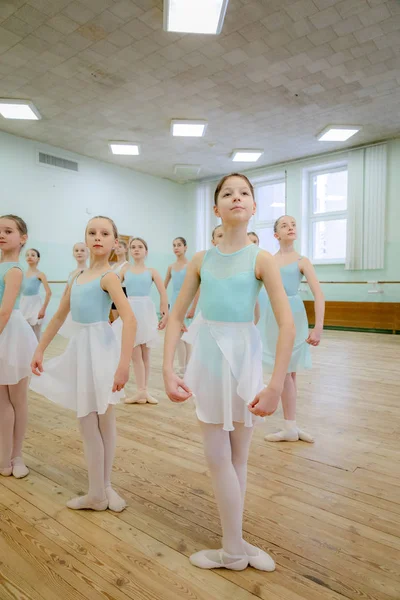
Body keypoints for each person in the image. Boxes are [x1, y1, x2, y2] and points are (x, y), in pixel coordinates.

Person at [163, 174, 295, 571]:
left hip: (244, 359)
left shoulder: (262, 259)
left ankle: (233, 547)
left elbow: (286, 324)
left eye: (244, 193)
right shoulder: (202, 260)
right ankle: (235, 545)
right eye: (227, 193)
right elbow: (175, 316)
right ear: (216, 208)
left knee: (239, 456)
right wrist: (168, 370)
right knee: (218, 456)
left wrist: (275, 385)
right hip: (209, 359)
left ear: (253, 207)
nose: (236, 197)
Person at [30, 216, 136, 512]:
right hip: (81, 351)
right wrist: (39, 349)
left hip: (101, 350)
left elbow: (129, 318)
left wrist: (124, 364)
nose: (97, 237)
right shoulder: (76, 278)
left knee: (104, 420)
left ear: (115, 243)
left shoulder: (110, 277)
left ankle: (101, 489)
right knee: (89, 422)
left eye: (104, 233)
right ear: (85, 239)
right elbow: (59, 316)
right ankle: (99, 490)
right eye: (92, 232)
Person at [262, 215, 325, 443]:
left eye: (293, 224)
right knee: (287, 370)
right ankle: (291, 426)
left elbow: (319, 295)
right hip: (273, 315)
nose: (290, 227)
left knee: (290, 370)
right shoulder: (268, 260)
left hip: (295, 314)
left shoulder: (302, 261)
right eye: (284, 225)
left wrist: (318, 327)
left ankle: (291, 426)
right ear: (276, 234)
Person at [0, 215, 37, 479]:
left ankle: (17, 455)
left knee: (18, 400)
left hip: (11, 334)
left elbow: (4, 311)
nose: (2, 234)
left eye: (8, 230)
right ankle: (4, 458)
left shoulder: (14, 270)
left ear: (22, 238)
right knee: (1, 402)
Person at [113, 237, 168, 405]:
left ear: (146, 251)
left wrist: (164, 313)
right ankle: (140, 391)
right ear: (130, 251)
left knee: (146, 354)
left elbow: (163, 293)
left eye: (140, 247)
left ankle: (144, 391)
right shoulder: (125, 271)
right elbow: (112, 289)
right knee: (135, 353)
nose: (136, 249)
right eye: (133, 247)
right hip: (131, 312)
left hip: (146, 311)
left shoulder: (152, 271)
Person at [20, 248, 52, 340]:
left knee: (36, 331)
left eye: (33, 255)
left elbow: (49, 293)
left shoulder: (40, 274)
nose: (30, 257)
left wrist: (43, 309)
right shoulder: (22, 274)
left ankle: (38, 352)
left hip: (35, 304)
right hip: (23, 304)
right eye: (27, 255)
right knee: (24, 331)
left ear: (38, 259)